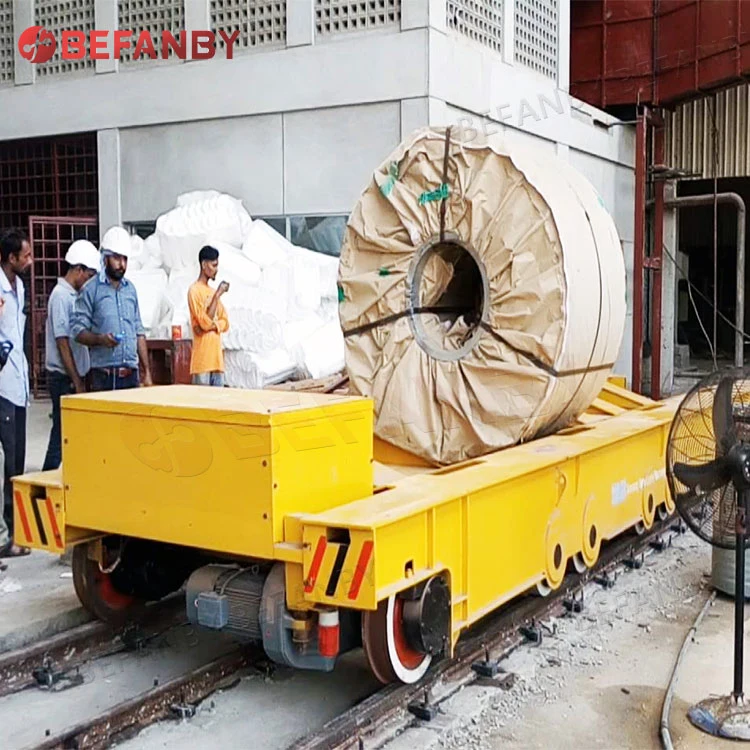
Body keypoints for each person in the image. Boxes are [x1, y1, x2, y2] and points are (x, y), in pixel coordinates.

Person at [42, 240, 100, 471]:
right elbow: (62, 342)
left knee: (74, 432)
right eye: (88, 275)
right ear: (78, 270)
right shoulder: (60, 296)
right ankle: (47, 476)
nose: (89, 281)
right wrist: (76, 381)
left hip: (76, 374)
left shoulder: (75, 296)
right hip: (63, 377)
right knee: (61, 433)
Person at [71, 226, 153, 391]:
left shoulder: (130, 290)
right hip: (104, 376)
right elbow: (77, 331)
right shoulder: (91, 290)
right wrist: (100, 339)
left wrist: (147, 371)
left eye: (125, 259)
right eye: (116, 258)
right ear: (105, 258)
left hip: (131, 374)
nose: (121, 264)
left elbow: (138, 331)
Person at [0, 229, 32, 558]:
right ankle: (7, 534)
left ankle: (15, 531)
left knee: (18, 462)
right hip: (3, 385)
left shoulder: (19, 288)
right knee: (7, 461)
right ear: (11, 258)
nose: (30, 261)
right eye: (25, 256)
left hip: (19, 381)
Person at [187, 245, 230, 387]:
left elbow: (225, 322)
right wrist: (217, 296)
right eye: (213, 265)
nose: (216, 270)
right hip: (202, 363)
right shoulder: (194, 291)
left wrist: (212, 326)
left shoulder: (212, 291)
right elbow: (203, 323)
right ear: (204, 265)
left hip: (217, 362)